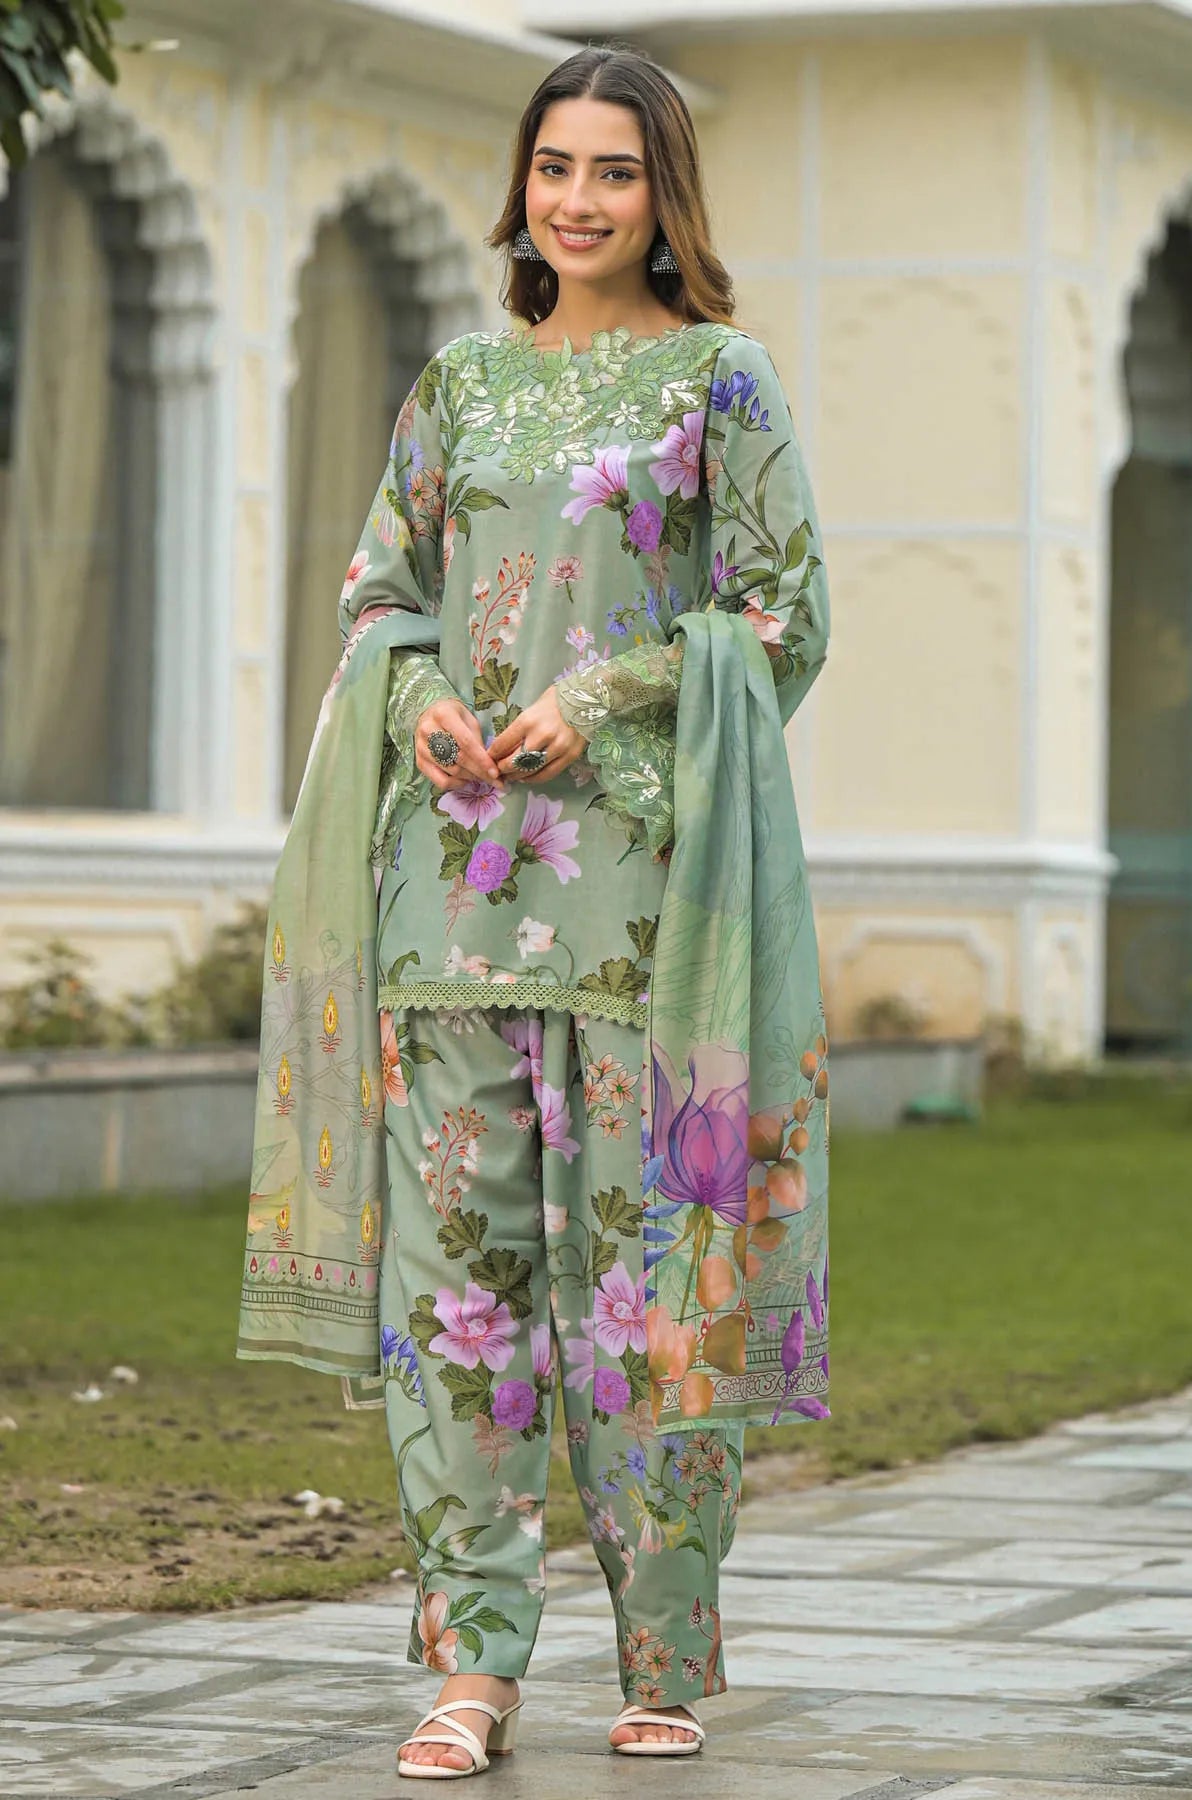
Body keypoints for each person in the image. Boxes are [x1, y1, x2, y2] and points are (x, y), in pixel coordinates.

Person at [238, 41, 831, 1781]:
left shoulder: (724, 383)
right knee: (459, 1291)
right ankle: (473, 1664)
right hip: (447, 902)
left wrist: (618, 691)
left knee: (649, 1283)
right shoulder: (454, 392)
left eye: (616, 172)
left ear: (667, 198)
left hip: (649, 913)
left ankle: (662, 1651)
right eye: (556, 167)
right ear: (522, 187)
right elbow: (381, 589)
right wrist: (416, 688)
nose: (579, 200)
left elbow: (783, 619)